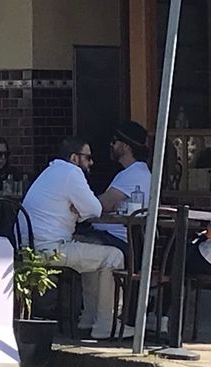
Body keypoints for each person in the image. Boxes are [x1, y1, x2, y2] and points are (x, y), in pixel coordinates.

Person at [20, 136, 124, 342]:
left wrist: (79, 210)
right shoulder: (71, 173)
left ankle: (88, 320)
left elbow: (86, 208)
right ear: (75, 158)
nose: (91, 163)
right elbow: (95, 208)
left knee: (94, 247)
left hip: (30, 247)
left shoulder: (50, 171)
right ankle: (106, 324)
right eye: (88, 158)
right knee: (114, 255)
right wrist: (82, 210)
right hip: (50, 249)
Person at [89, 121, 152, 258]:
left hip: (116, 240)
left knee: (70, 242)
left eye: (114, 141)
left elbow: (102, 205)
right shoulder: (137, 172)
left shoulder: (133, 174)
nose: (111, 145)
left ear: (126, 146)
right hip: (117, 239)